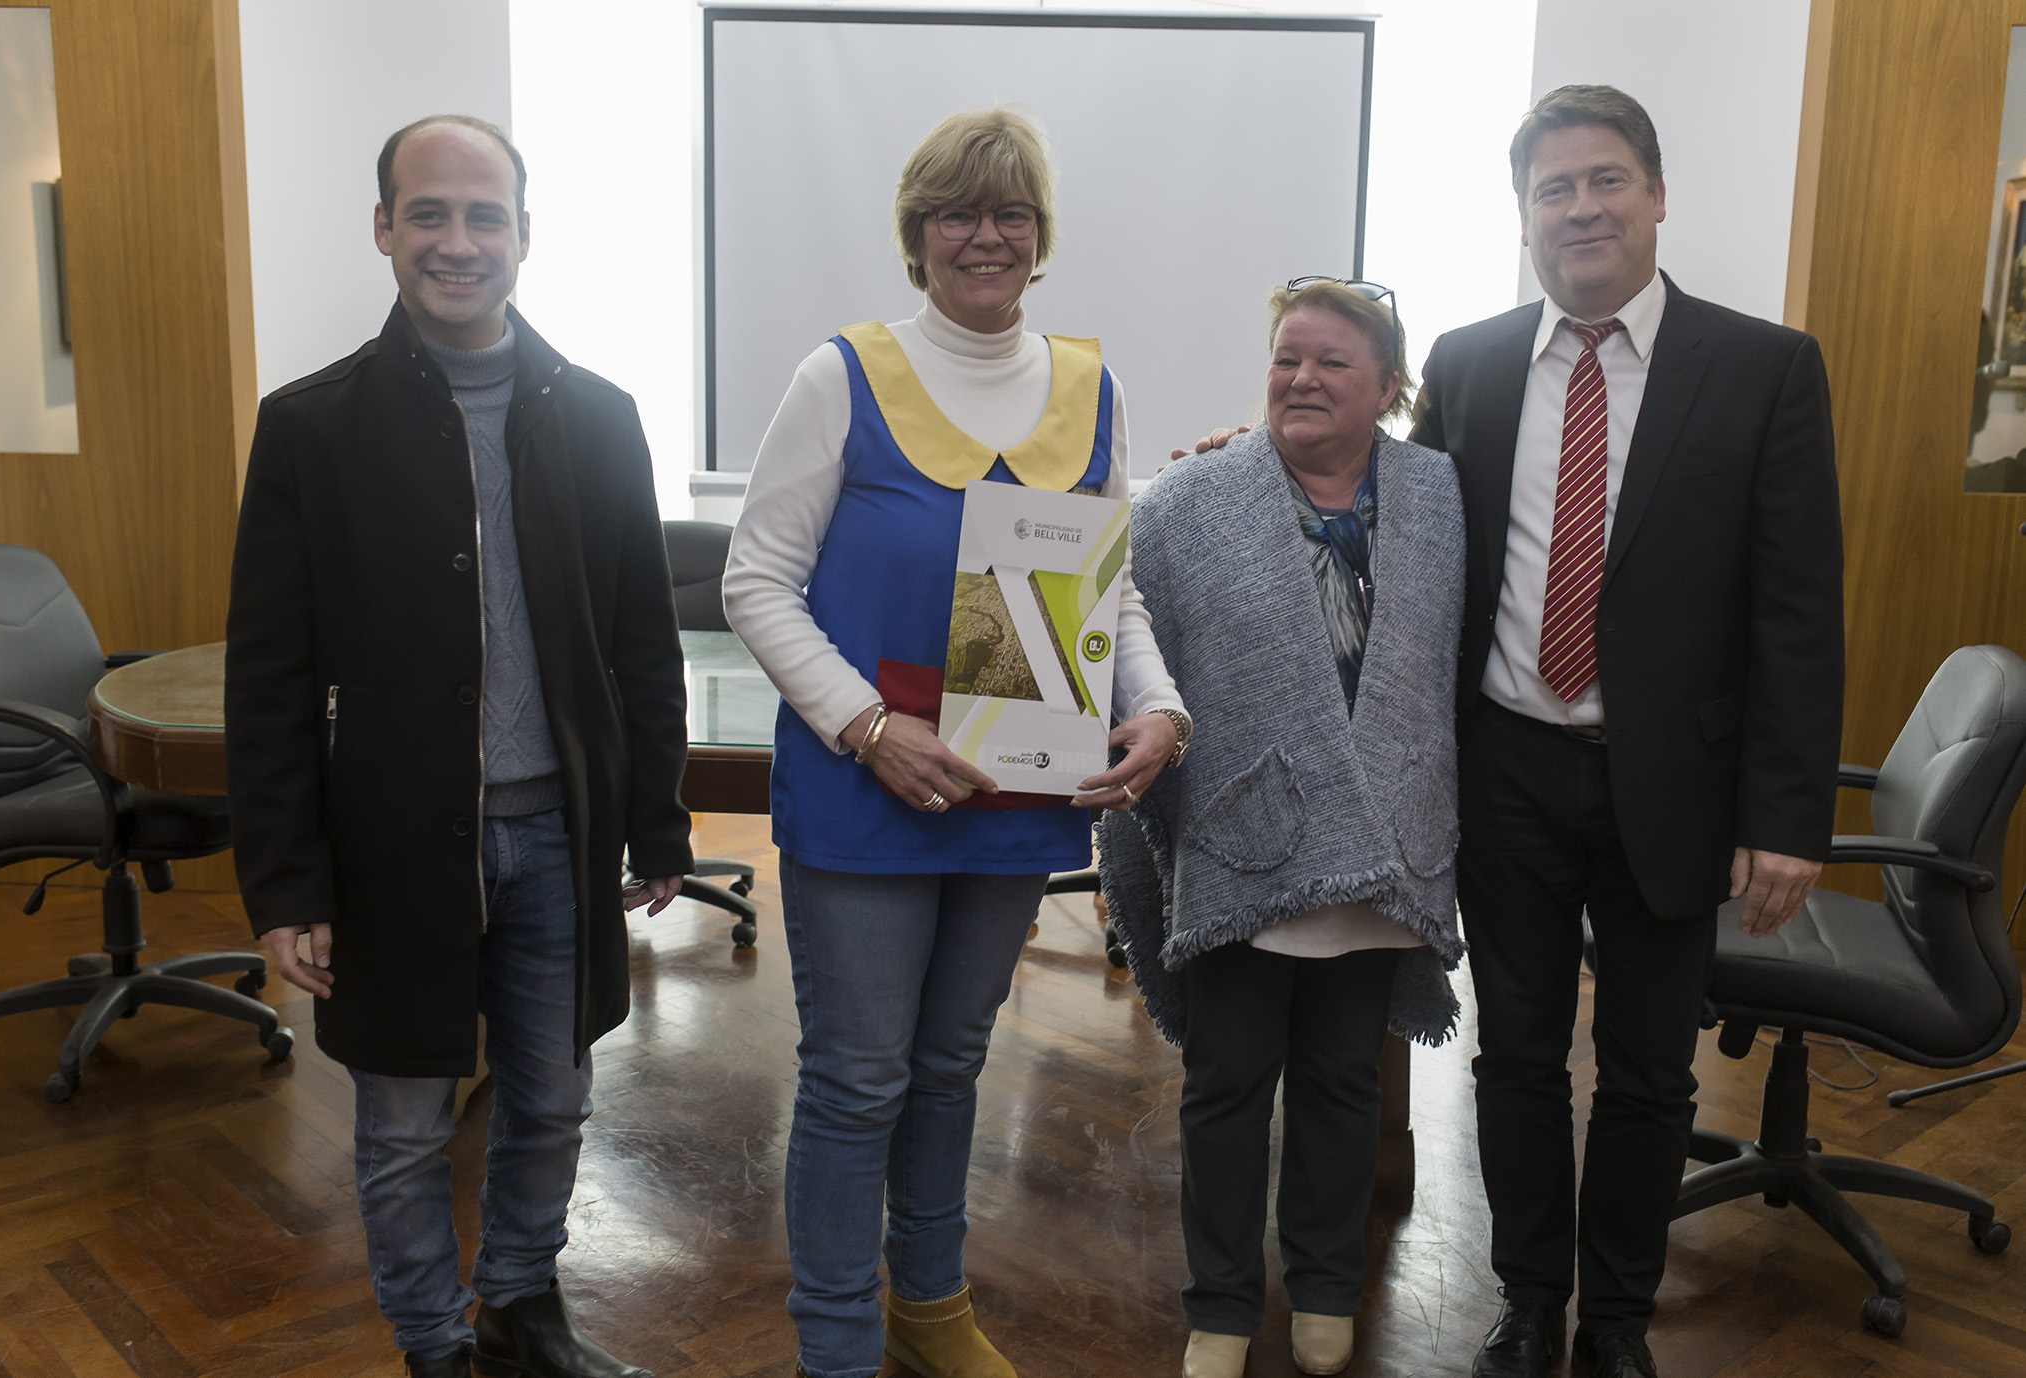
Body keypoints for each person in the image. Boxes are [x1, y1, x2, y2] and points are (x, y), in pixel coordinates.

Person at [721, 106, 1188, 1378]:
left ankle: (929, 1308)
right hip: (864, 789)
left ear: (1041, 235)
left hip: (1009, 793)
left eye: (1011, 213)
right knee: (857, 1078)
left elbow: (1112, 594)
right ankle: (835, 1342)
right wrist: (870, 727)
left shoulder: (1093, 391)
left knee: (949, 1066)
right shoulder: (841, 377)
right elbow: (756, 579)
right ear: (917, 233)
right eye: (957, 213)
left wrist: (1161, 707)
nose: (986, 235)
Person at [226, 115, 689, 1378]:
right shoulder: (310, 427)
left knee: (554, 1098)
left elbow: (641, 642)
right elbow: (266, 680)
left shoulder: (600, 417)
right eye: (427, 213)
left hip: (560, 834)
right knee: (403, 1121)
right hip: (391, 845)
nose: (457, 240)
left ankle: (520, 1310)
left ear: (524, 235)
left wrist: (659, 819)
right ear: (383, 228)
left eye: (485, 216)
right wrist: (285, 882)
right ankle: (434, 1345)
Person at [1409, 87, 1843, 1378]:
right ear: (1523, 216)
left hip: (1674, 784)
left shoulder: (1763, 368)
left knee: (1651, 1073)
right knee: (1515, 1057)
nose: (1581, 208)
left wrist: (1785, 816)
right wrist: (1264, 465)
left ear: (1655, 195)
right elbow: (1404, 536)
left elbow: (1796, 609)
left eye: (1606, 180)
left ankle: (1613, 1320)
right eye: (1554, 188)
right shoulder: (1468, 364)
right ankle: (1527, 1298)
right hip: (1505, 771)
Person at [1101, 279, 1464, 1378]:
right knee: (1227, 1083)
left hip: (1381, 846)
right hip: (1242, 844)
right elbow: (1122, 636)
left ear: (1388, 387)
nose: (1301, 378)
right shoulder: (1188, 501)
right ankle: (1219, 1303)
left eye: (1331, 362)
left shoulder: (1440, 495)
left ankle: (1323, 1285)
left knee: (1345, 1083)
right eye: (1285, 358)